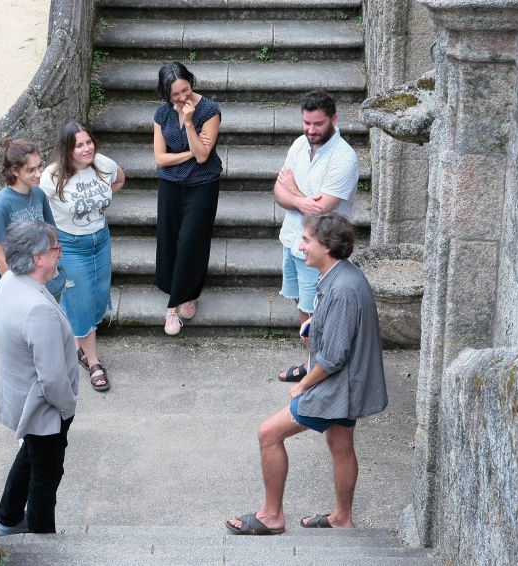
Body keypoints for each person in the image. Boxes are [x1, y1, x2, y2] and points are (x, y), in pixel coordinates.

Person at [226, 212, 387, 535]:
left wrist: (303, 385)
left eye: (307, 241)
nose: (301, 247)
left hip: (339, 385)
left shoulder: (341, 290)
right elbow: (340, 332)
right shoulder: (344, 277)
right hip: (351, 383)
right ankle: (342, 517)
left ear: (326, 247)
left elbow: (334, 357)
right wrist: (315, 327)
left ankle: (272, 516)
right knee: (340, 443)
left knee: (269, 434)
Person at [0, 220, 79, 535]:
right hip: (44, 409)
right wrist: (67, 408)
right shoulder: (36, 309)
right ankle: (42, 540)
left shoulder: (9, 282)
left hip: (20, 398)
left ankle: (8, 519)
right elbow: (53, 379)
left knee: (29, 455)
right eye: (56, 248)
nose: (61, 254)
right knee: (46, 475)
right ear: (38, 258)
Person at [274, 91, 359, 382]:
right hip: (293, 241)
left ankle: (319, 377)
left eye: (318, 124)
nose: (311, 130)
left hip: (322, 251)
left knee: (318, 317)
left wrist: (294, 191)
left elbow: (321, 212)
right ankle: (312, 365)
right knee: (303, 308)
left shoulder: (344, 157)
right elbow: (278, 192)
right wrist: (301, 200)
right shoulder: (299, 145)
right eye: (306, 123)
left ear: (334, 119)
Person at [39, 121, 125, 392]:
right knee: (82, 300)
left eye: (89, 142)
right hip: (70, 245)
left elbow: (120, 178)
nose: (87, 148)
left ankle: (77, 339)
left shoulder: (102, 164)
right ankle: (93, 361)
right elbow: (39, 208)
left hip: (100, 239)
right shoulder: (52, 177)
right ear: (68, 149)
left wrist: (98, 202)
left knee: (99, 296)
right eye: (80, 145)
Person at [153, 61, 222, 336]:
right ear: (166, 95)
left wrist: (191, 123)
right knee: (169, 239)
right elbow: (160, 158)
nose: (182, 98)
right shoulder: (161, 114)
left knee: (192, 240)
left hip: (203, 184)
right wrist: (190, 154)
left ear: (191, 81)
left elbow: (204, 155)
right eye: (175, 95)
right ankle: (175, 296)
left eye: (185, 89)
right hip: (170, 185)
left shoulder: (209, 110)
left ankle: (178, 304)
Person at [0, 138, 65, 299]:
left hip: (43, 283)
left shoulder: (39, 194)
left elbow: (51, 235)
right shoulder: (0, 206)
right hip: (19, 289)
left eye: (40, 167)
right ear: (15, 171)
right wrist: (20, 290)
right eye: (31, 170)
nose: (39, 174)